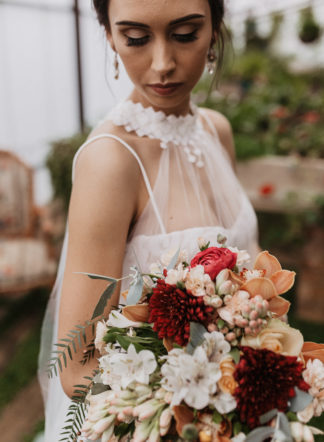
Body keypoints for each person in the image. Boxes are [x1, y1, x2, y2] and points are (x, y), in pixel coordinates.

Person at [38, 0, 259, 440]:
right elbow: (76, 365)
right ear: (109, 36)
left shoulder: (216, 130)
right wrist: (200, 398)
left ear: (214, 30)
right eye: (136, 38)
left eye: (185, 34)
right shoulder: (112, 161)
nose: (163, 63)